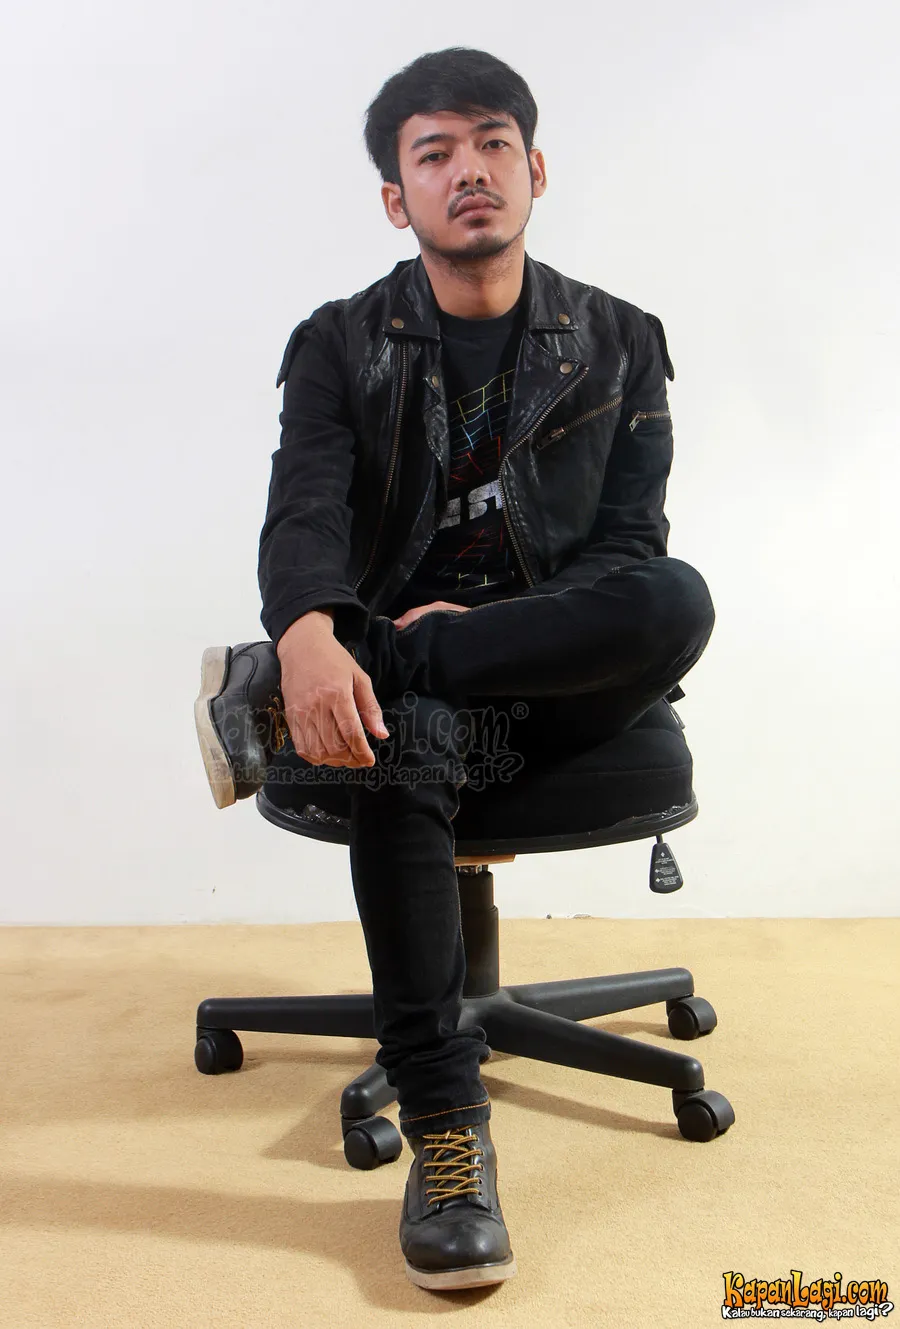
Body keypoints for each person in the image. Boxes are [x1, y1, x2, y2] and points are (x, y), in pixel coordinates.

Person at [193, 46, 716, 1292]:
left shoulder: (621, 340)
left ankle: (353, 665)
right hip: (398, 715)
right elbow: (304, 516)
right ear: (398, 198)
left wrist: (385, 645)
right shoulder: (339, 344)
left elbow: (629, 551)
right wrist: (310, 629)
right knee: (404, 737)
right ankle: (445, 1131)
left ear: (535, 169)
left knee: (676, 596)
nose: (467, 170)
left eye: (491, 143)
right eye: (434, 153)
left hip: (559, 669)